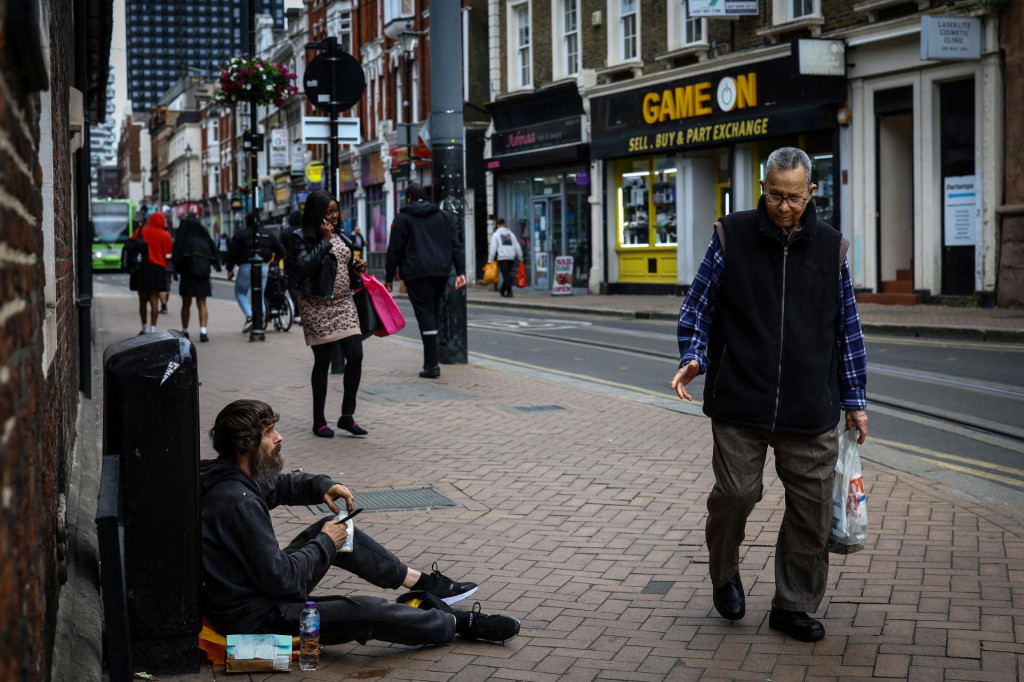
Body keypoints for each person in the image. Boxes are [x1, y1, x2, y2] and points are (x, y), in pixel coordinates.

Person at [670, 147, 868, 642]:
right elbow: (698, 305)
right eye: (776, 195)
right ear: (763, 188)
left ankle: (793, 604)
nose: (784, 207)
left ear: (812, 192)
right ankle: (724, 572)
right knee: (737, 493)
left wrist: (855, 399)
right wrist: (694, 355)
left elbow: (848, 330)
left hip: (811, 406)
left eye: (794, 198)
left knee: (812, 510)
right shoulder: (730, 236)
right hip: (740, 399)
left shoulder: (832, 249)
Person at [201, 399, 521, 647]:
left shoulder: (231, 478)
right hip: (260, 618)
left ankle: (422, 584)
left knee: (340, 527)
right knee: (364, 610)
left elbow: (280, 487)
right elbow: (281, 579)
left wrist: (320, 485)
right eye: (269, 433)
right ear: (246, 446)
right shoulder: (238, 502)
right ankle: (455, 624)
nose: (279, 437)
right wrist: (327, 542)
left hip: (263, 592)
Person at [286, 190, 369, 439]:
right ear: (316, 214)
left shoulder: (342, 234)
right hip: (317, 305)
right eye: (329, 211)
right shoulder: (300, 236)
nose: (334, 216)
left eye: (335, 211)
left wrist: (356, 268)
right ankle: (319, 421)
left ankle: (347, 416)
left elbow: (341, 265)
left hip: (344, 304)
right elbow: (303, 267)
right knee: (323, 362)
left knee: (355, 355)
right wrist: (324, 240)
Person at [384, 183, 466, 379]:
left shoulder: (403, 219)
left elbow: (394, 249)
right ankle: (431, 362)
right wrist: (461, 272)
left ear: (410, 197)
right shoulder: (444, 216)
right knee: (434, 312)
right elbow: (456, 245)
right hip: (441, 272)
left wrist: (388, 278)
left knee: (425, 315)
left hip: (416, 273)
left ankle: (431, 365)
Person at [226, 214, 286, 333]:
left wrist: (229, 269)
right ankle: (259, 319)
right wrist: (274, 261)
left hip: (245, 266)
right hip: (263, 266)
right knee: (260, 294)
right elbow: (281, 251)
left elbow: (232, 253)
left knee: (240, 292)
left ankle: (250, 317)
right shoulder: (268, 234)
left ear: (246, 222)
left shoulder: (240, 234)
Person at [171, 217, 220, 342]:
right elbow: (214, 255)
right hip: (203, 276)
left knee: (186, 304)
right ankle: (203, 331)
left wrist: (176, 271)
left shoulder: (185, 240)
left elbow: (177, 256)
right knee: (202, 304)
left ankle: (185, 330)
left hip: (187, 276)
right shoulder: (204, 240)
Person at [134, 211, 173, 334]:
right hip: (157, 269)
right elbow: (168, 256)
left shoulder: (140, 232)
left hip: (142, 269)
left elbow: (131, 245)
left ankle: (144, 328)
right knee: (154, 299)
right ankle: (153, 329)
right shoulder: (165, 235)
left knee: (142, 300)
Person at [279, 210, 304, 323]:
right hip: (305, 262)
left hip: (290, 263)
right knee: (304, 287)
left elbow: (280, 250)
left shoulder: (285, 232)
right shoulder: (305, 231)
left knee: (293, 287)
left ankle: (298, 313)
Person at [488, 218, 523, 298]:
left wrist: (490, 260)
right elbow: (517, 246)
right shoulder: (511, 234)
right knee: (507, 274)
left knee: (505, 275)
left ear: (497, 225)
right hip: (511, 257)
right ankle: (503, 290)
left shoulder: (496, 235)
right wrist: (520, 257)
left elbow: (493, 248)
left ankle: (509, 292)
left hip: (502, 257)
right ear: (505, 225)